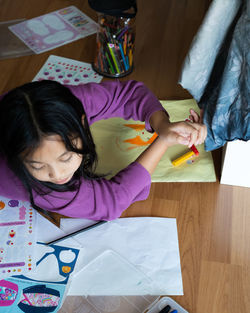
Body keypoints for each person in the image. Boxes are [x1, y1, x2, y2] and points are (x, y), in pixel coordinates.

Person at [0, 80, 206, 221]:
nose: (57, 174)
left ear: (82, 121)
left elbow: (129, 94)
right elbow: (111, 202)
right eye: (37, 165)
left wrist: (162, 125)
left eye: (66, 157)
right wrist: (163, 141)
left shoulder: (67, 103)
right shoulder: (35, 185)